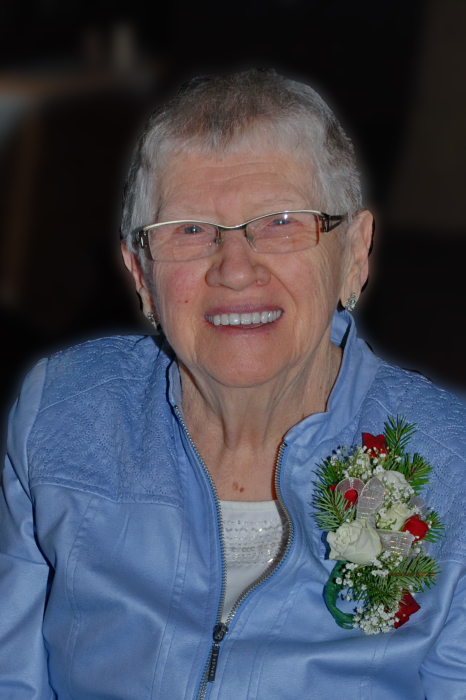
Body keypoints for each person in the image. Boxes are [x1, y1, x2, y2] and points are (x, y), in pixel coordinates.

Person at [1, 70, 465, 700]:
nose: (236, 268)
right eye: (191, 229)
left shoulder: (455, 468)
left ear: (355, 253)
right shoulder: (61, 411)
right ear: (140, 274)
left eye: (281, 222)